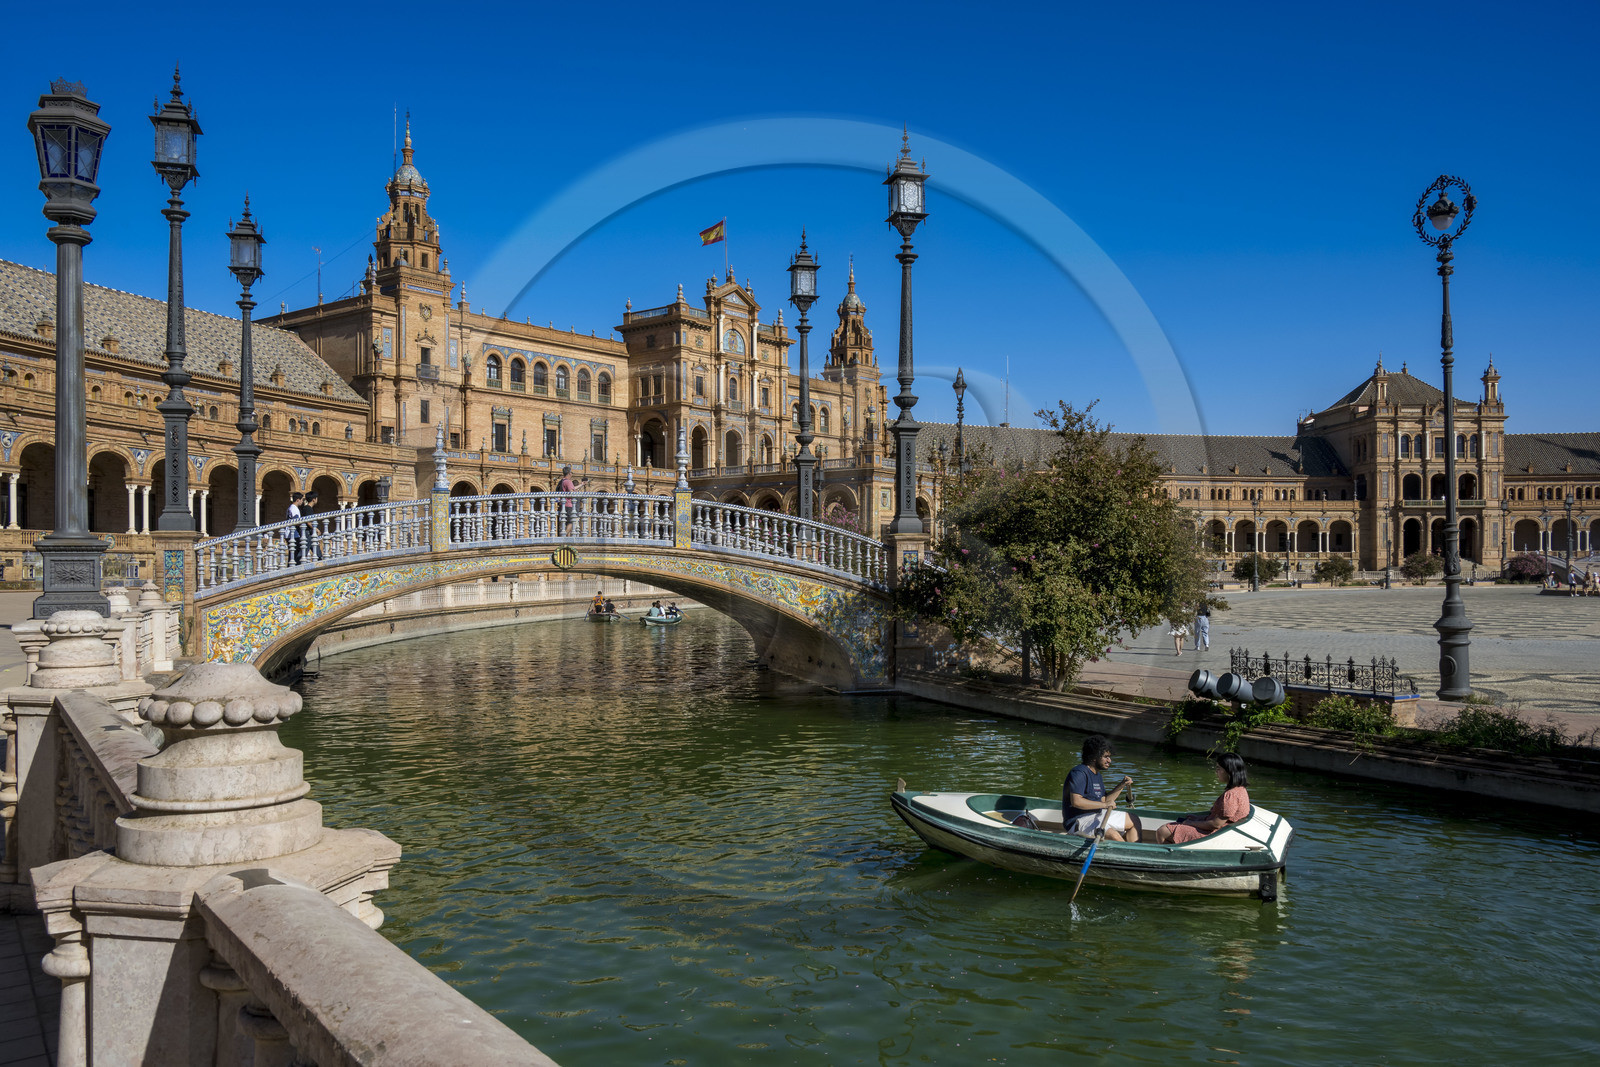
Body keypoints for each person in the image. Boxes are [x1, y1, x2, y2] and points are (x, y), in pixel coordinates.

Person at [1155, 753, 1251, 845]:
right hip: (1223, 832)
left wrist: (1191, 823)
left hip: (1214, 835)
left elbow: (1216, 824)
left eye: (1218, 768)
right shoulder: (1241, 789)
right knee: (1181, 822)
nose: (1216, 772)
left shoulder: (1231, 795)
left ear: (1229, 771)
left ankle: (1176, 855)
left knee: (1162, 831)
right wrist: (1197, 819)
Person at [1063, 735, 1141, 842]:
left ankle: (1134, 849)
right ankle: (1128, 851)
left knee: (1134, 820)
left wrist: (1122, 785)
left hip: (1097, 815)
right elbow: (1076, 802)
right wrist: (1105, 805)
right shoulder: (1079, 773)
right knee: (1114, 836)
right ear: (1094, 756)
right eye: (1106, 757)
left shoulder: (1097, 775)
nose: (1110, 760)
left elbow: (1104, 800)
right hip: (1079, 820)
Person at [302, 491, 323, 560]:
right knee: (305, 552)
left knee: (316, 551)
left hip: (309, 534)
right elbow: (308, 522)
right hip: (308, 534)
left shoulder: (307, 508)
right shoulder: (308, 509)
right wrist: (316, 530)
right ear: (314, 499)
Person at [286, 492, 305, 564]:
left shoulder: (290, 507)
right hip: (293, 534)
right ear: (298, 500)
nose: (302, 502)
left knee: (293, 553)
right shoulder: (294, 509)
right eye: (302, 500)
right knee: (296, 553)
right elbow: (296, 521)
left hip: (289, 533)